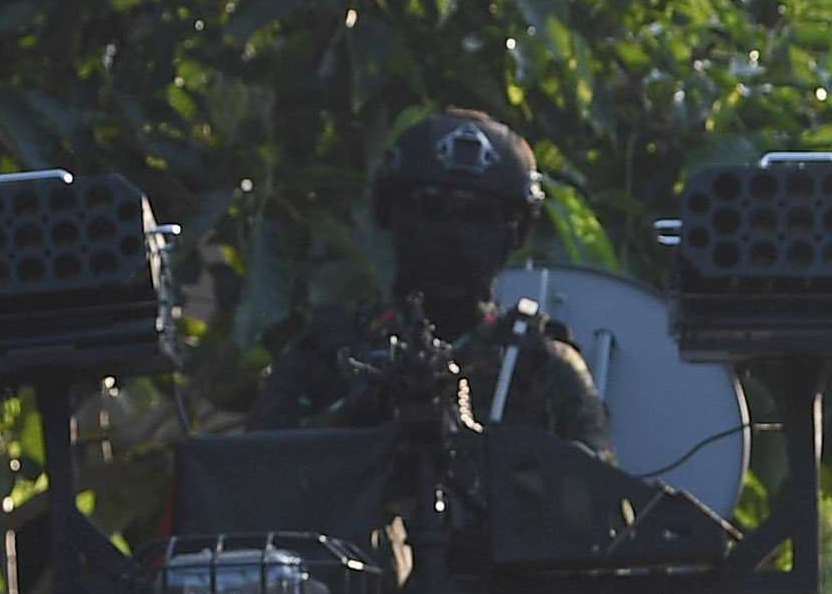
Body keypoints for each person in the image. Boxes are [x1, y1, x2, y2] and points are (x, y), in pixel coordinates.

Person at [247, 107, 612, 458]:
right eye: (431, 206)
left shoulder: (540, 365)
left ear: (515, 233)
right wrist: (350, 417)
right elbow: (254, 473)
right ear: (390, 213)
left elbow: (595, 489)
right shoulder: (329, 351)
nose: (453, 234)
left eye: (479, 214)